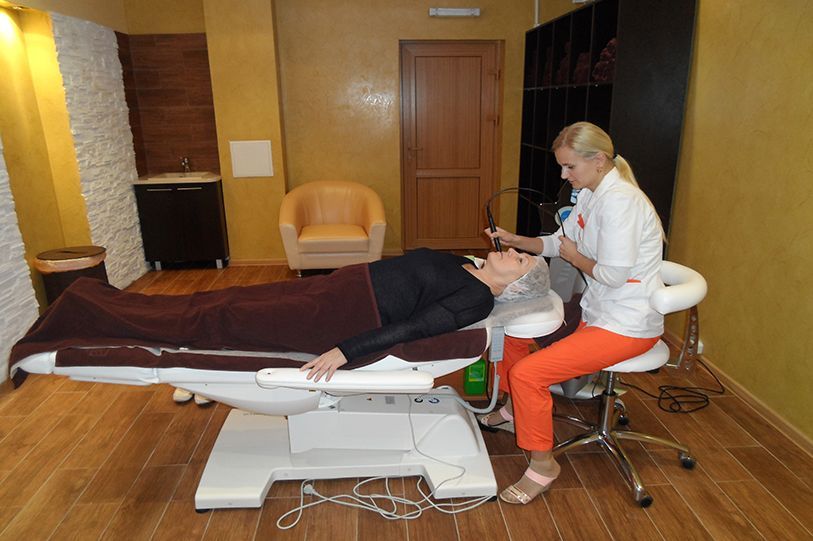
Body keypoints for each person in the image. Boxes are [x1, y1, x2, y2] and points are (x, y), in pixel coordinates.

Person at [10, 248, 550, 384]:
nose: (511, 250)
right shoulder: (467, 263)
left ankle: (90, 317)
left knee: (217, 321)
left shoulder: (477, 300)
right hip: (333, 289)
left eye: (520, 259)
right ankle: (92, 301)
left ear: (518, 282)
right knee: (216, 300)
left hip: (336, 319)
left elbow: (412, 328)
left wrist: (345, 351)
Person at [480, 121, 665, 505]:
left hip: (626, 324)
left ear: (598, 160)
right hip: (596, 310)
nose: (564, 176)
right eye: (562, 167)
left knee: (528, 373)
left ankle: (543, 466)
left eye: (570, 167)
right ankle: (514, 410)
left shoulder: (621, 203)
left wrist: (575, 257)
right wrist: (517, 240)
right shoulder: (592, 194)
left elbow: (612, 275)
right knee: (511, 334)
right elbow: (558, 243)